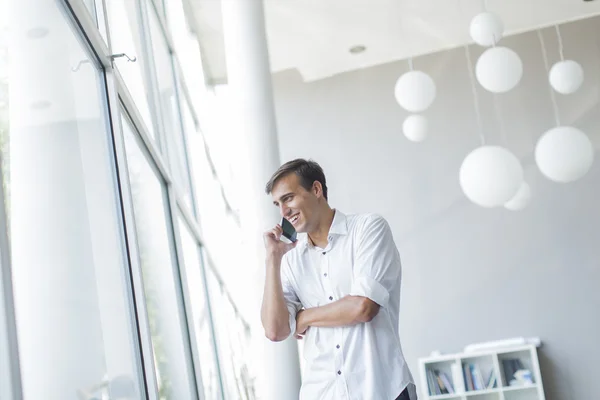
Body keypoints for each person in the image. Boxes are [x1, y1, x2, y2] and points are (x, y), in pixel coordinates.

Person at [261, 158, 416, 400]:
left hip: (382, 389)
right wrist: (273, 258)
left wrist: (303, 317)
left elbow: (363, 307)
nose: (283, 212)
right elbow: (276, 330)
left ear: (316, 189)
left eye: (288, 198)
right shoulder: (290, 260)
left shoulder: (367, 229)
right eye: (277, 204)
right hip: (322, 392)